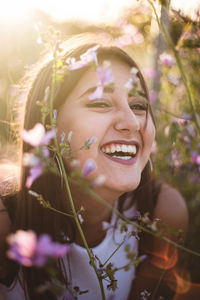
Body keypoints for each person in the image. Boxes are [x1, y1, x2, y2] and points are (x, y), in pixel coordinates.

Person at [0, 33, 188, 300]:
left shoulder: (164, 213)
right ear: (48, 125)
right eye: (100, 102)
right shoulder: (5, 223)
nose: (132, 123)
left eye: (138, 105)